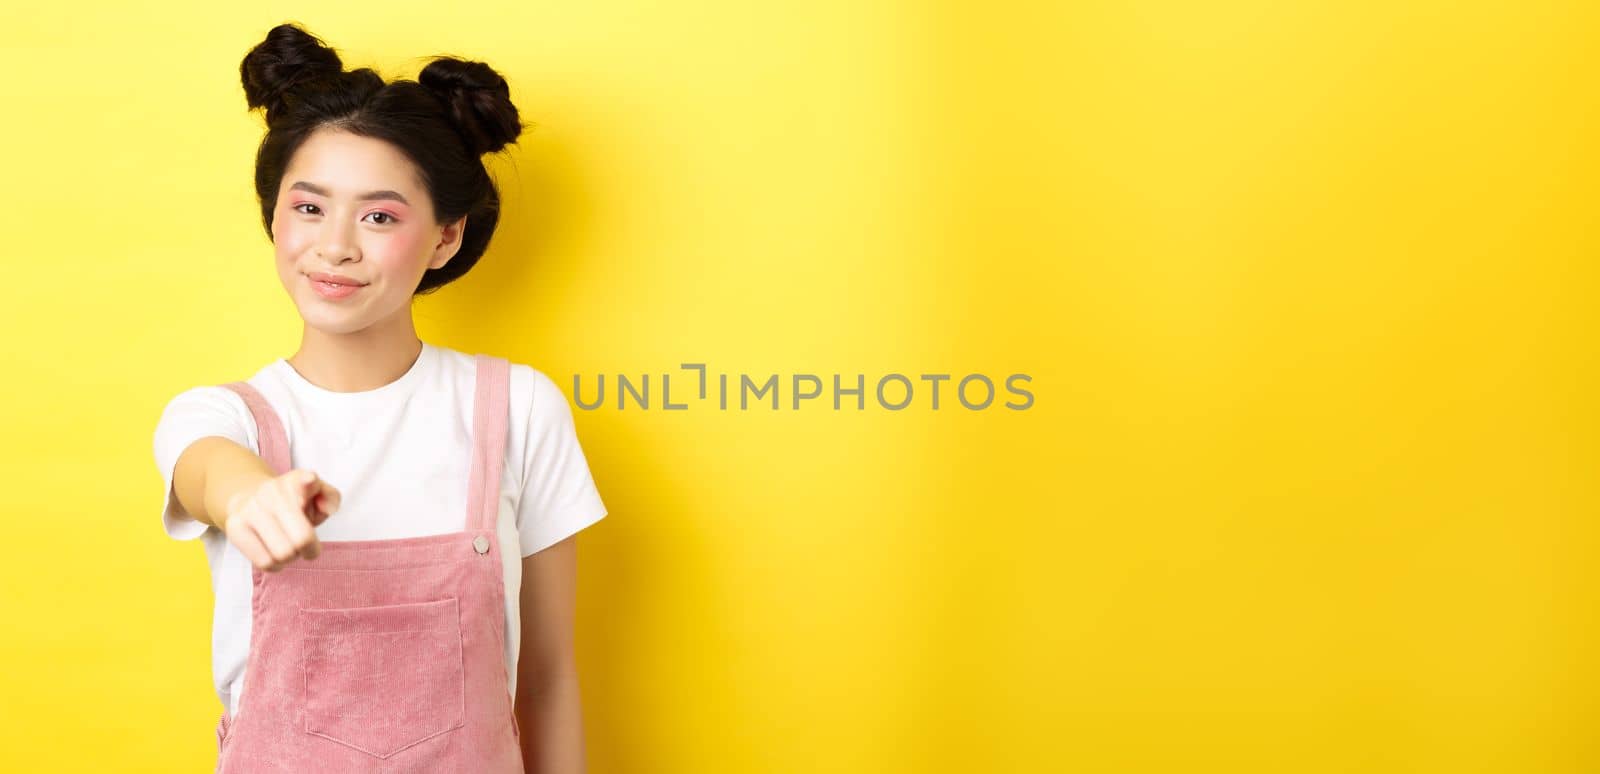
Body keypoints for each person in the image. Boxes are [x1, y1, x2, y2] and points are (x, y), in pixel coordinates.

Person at [151, 22, 606, 773]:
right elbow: (207, 469)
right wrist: (249, 499)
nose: (336, 246)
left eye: (380, 216)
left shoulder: (519, 408)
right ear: (272, 216)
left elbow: (550, 681)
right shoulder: (222, 418)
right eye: (308, 207)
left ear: (444, 239)